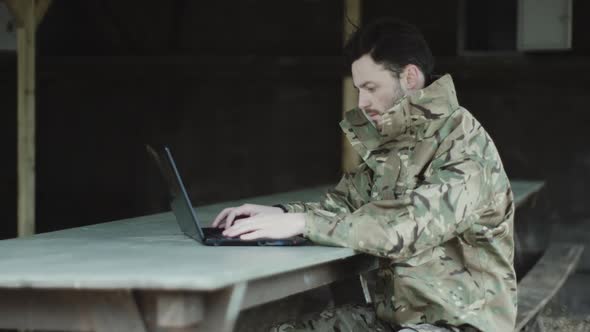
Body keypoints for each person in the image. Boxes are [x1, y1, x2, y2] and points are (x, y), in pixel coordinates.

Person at [212, 18, 516, 332]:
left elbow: (407, 226)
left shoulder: (464, 143)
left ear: (409, 77)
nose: (362, 102)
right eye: (359, 89)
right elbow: (342, 207)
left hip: (462, 322)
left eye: (371, 88)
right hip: (394, 319)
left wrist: (303, 223)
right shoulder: (395, 146)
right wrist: (280, 214)